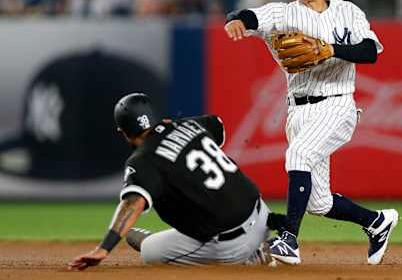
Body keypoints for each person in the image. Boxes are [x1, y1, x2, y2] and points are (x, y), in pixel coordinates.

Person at [224, 0, 399, 266]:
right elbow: (247, 15)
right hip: (298, 110)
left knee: (298, 156)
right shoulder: (283, 13)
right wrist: (235, 20)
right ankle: (377, 222)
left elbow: (370, 51)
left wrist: (331, 49)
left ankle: (288, 238)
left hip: (338, 103)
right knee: (319, 202)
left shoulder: (348, 11)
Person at [68, 93, 278, 269]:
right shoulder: (188, 125)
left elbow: (133, 203)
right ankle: (264, 245)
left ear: (123, 132)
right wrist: (179, 127)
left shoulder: (143, 159)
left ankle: (250, 258)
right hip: (263, 217)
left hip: (231, 245)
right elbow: (218, 125)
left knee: (150, 251)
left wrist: (104, 248)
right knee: (182, 191)